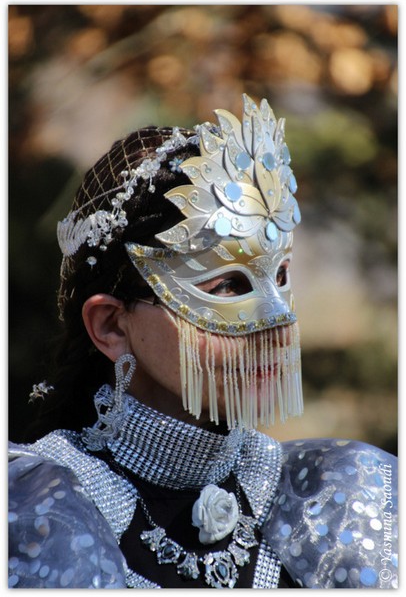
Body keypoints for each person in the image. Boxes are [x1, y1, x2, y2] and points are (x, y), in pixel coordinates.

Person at [9, 94, 398, 589]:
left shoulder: (344, 492)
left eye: (280, 274)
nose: (277, 320)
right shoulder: (35, 514)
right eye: (228, 286)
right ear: (110, 325)